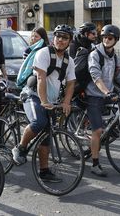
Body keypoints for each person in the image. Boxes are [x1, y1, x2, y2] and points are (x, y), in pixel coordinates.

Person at [12, 24, 76, 182]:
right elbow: (40, 78)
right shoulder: (43, 53)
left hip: (51, 101)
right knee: (39, 121)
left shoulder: (69, 61)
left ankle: (44, 171)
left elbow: (70, 84)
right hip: (33, 95)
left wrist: (66, 102)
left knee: (47, 135)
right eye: (58, 36)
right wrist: (44, 101)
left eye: (65, 38)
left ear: (70, 41)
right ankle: (20, 148)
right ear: (53, 37)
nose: (60, 40)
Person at [84, 24, 120, 177]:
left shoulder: (114, 56)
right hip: (94, 95)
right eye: (104, 37)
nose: (106, 40)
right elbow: (96, 77)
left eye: (110, 38)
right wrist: (107, 92)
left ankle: (109, 133)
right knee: (97, 130)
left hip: (109, 94)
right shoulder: (95, 54)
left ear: (116, 40)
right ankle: (95, 164)